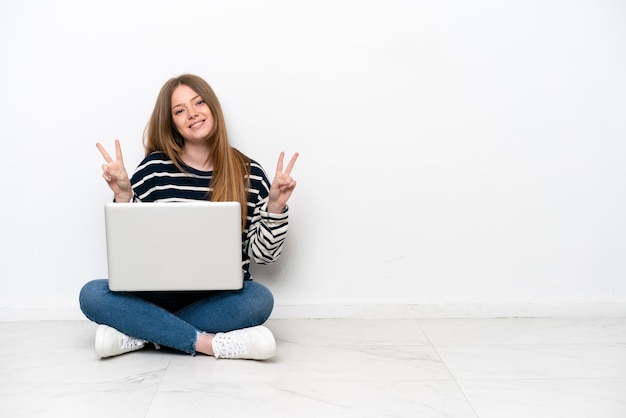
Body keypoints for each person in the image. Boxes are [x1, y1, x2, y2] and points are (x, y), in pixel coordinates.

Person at [79, 74, 298, 360]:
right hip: (155, 297)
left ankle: (142, 335)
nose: (192, 113)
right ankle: (207, 343)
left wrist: (275, 207)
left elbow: (264, 257)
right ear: (172, 124)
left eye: (198, 103)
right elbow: (130, 249)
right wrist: (123, 195)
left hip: (218, 299)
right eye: (180, 110)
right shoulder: (154, 169)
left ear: (212, 108)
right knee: (91, 294)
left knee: (259, 300)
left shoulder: (250, 173)